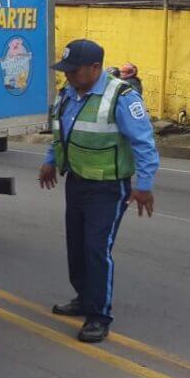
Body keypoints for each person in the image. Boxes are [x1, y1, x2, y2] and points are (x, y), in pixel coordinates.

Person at [40, 39, 158, 343]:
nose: (67, 75)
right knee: (76, 246)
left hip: (108, 187)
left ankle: (98, 315)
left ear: (95, 68)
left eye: (73, 70)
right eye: (65, 69)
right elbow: (60, 130)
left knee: (96, 249)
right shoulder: (68, 93)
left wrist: (143, 187)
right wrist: (50, 161)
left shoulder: (120, 96)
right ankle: (84, 297)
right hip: (76, 181)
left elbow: (144, 143)